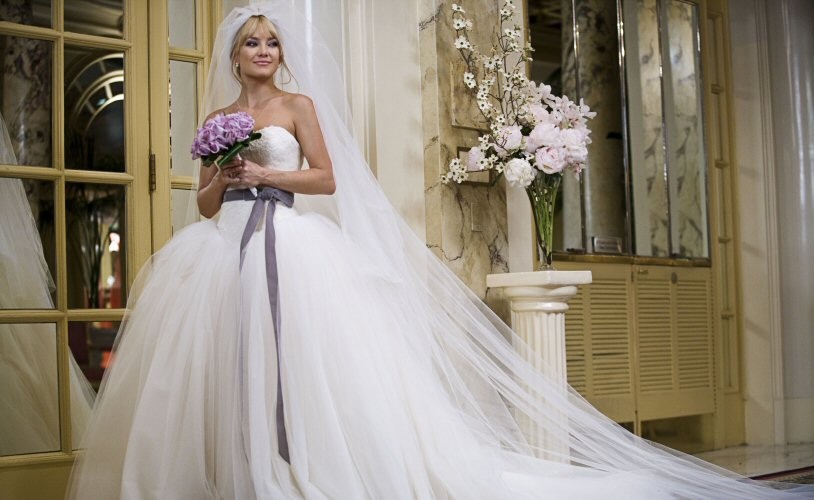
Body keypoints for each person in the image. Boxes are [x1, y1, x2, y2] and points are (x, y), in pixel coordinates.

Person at [66, 2, 812, 499]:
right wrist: (225, 176)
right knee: (220, 362)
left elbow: (325, 177)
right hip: (221, 248)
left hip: (286, 240)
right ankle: (225, 470)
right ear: (234, 56)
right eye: (251, 43)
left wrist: (267, 175)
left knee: (295, 357)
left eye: (272, 42)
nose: (262, 51)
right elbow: (204, 200)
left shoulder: (298, 106)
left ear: (281, 54)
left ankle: (295, 466)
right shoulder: (221, 117)